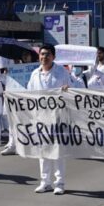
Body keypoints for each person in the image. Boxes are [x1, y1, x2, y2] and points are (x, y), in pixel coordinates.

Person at [28, 44, 73, 195]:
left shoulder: (62, 72)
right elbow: (29, 94)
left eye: (47, 54)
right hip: (41, 117)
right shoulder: (35, 73)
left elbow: (72, 90)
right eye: (42, 54)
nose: (44, 57)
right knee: (43, 150)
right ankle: (45, 182)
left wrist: (68, 89)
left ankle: (59, 182)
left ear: (53, 56)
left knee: (57, 151)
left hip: (58, 117)